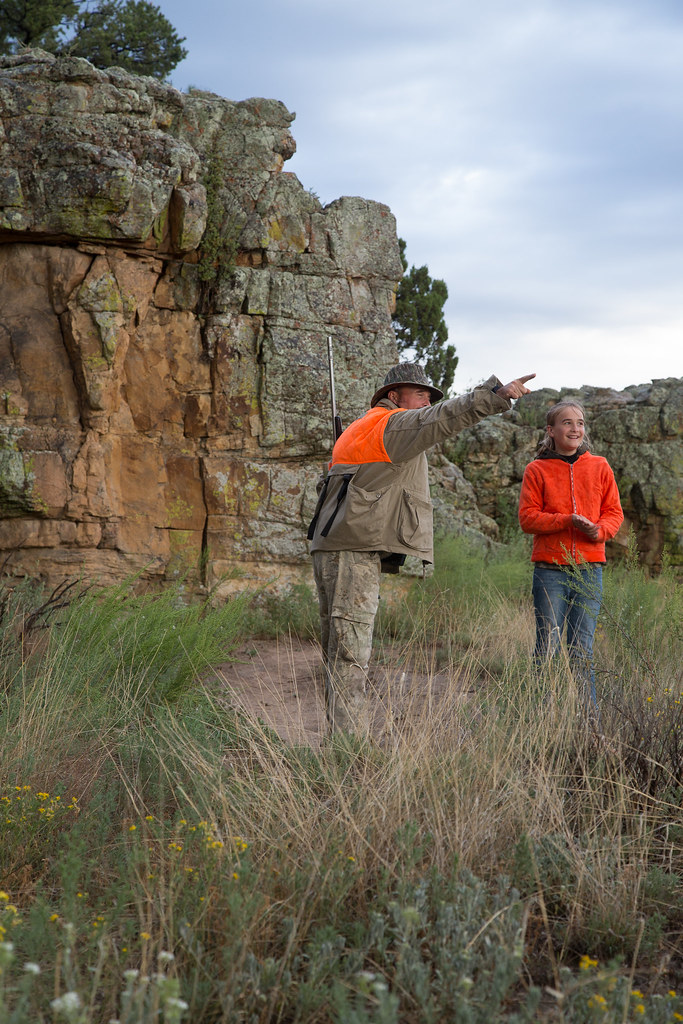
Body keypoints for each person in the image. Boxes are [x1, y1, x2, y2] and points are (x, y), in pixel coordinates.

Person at [308, 361, 535, 735]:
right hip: (353, 549)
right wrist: (494, 395)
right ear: (394, 396)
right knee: (351, 655)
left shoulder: (358, 429)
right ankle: (349, 749)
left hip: (333, 547)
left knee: (338, 652)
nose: (427, 401)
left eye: (430, 395)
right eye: (420, 394)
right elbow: (443, 418)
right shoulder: (392, 424)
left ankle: (340, 741)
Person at [518, 401, 624, 716]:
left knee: (581, 650)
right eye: (567, 423)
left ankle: (587, 721)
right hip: (549, 570)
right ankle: (538, 718)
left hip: (589, 569)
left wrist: (599, 531)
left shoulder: (600, 466)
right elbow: (527, 518)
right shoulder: (536, 469)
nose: (575, 429)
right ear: (551, 430)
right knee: (547, 647)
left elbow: (614, 513)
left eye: (579, 423)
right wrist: (567, 520)